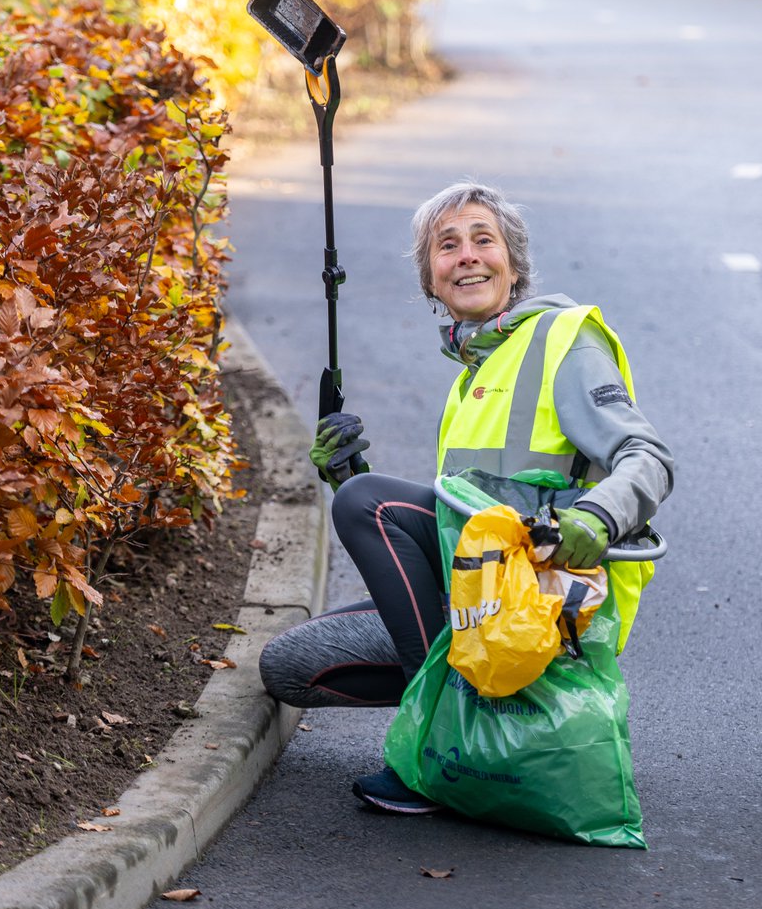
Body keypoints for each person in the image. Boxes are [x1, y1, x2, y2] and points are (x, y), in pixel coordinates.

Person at [259, 181, 673, 814]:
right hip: (484, 596)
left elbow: (648, 458)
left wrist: (596, 515)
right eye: (446, 246)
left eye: (485, 239)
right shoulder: (477, 372)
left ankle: (443, 750)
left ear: (515, 263)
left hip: (549, 609)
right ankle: (488, 731)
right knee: (292, 666)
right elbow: (464, 516)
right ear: (431, 278)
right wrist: (352, 475)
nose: (468, 256)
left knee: (366, 503)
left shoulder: (563, 340)